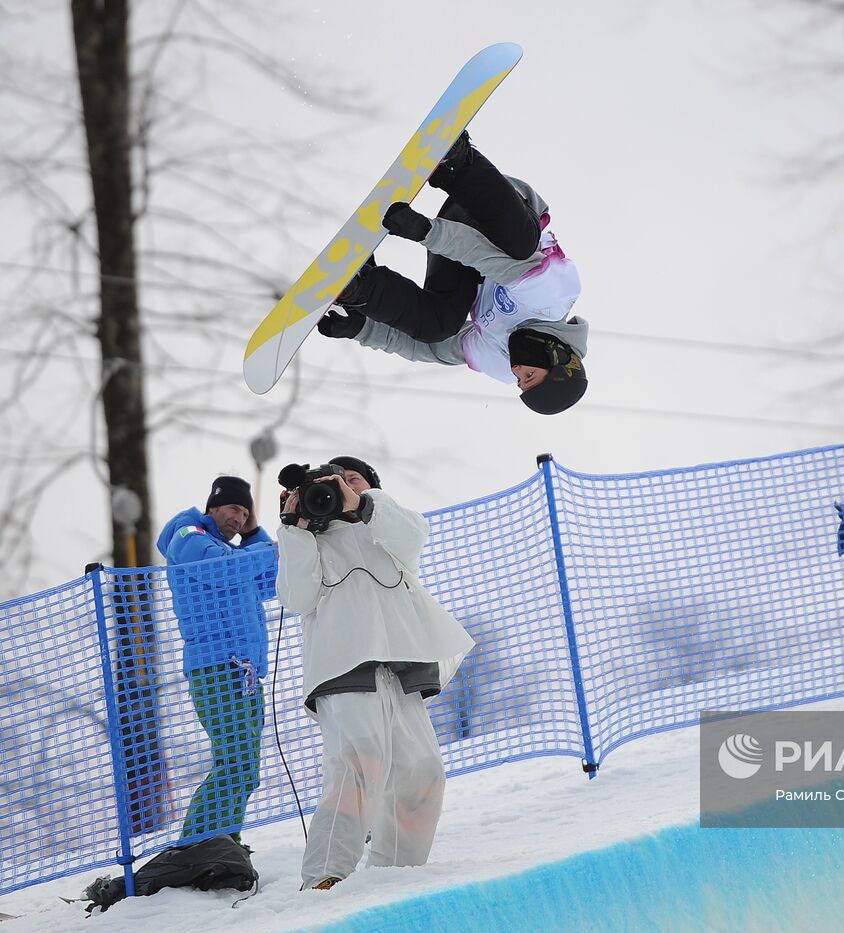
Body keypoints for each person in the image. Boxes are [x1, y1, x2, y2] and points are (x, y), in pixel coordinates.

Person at [275, 456, 474, 890]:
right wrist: (295, 530)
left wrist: (363, 504)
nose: (340, 487)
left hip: (402, 663)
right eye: (331, 483)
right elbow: (297, 596)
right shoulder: (309, 536)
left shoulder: (384, 521)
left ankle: (395, 876)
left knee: (423, 772)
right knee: (359, 760)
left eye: (351, 480)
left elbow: (413, 536)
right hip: (343, 663)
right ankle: (325, 877)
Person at [317, 133, 588, 415]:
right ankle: (459, 163)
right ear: (555, 357)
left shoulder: (498, 358)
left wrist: (364, 329)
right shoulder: (552, 298)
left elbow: (430, 349)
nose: (517, 370)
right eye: (529, 375)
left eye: (520, 382)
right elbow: (485, 256)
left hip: (457, 239)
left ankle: (361, 289)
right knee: (521, 245)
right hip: (492, 207)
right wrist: (427, 232)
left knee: (438, 326)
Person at [156, 475, 275, 846]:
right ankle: (197, 848)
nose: (239, 517)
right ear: (213, 507)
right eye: (233, 508)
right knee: (236, 765)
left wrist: (256, 534)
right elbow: (222, 570)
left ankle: (223, 844)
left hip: (243, 671)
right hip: (216, 667)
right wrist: (270, 548)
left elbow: (272, 582)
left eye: (245, 512)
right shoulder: (188, 536)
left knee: (244, 769)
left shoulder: (234, 554)